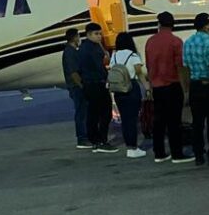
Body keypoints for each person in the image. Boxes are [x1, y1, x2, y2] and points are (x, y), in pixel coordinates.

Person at [145, 12, 194, 164]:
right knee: (174, 122)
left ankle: (159, 153)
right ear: (173, 24)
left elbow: (148, 65)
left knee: (158, 121)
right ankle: (176, 153)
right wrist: (185, 89)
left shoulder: (150, 42)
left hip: (157, 86)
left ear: (158, 24)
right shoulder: (175, 41)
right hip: (172, 86)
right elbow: (181, 67)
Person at [182, 12, 209, 165]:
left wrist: (186, 89)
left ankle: (198, 154)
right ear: (205, 26)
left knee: (197, 123)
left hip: (195, 86)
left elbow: (185, 67)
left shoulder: (188, 42)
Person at [78, 23, 117, 153]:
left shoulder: (86, 47)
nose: (99, 36)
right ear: (88, 35)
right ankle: (101, 140)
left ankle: (95, 140)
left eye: (100, 33)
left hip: (90, 84)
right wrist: (108, 75)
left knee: (93, 113)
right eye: (96, 34)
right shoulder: (91, 49)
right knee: (104, 113)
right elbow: (99, 66)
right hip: (95, 84)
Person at [108, 32, 147, 159]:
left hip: (118, 90)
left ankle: (130, 146)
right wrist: (147, 87)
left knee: (125, 119)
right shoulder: (133, 55)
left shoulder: (114, 56)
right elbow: (139, 72)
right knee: (133, 118)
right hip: (131, 87)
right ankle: (133, 148)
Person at [62, 28, 92, 150]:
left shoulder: (72, 51)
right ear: (74, 37)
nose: (79, 39)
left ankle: (85, 137)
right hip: (76, 87)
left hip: (76, 86)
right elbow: (74, 72)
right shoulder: (70, 52)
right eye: (78, 36)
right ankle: (82, 139)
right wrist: (82, 86)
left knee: (83, 112)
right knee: (81, 113)